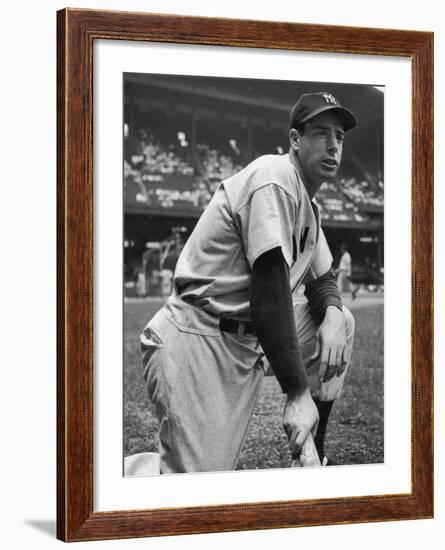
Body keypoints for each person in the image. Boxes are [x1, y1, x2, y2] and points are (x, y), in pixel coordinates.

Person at [140, 91, 356, 473]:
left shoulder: (308, 204)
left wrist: (335, 315)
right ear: (294, 140)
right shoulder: (274, 178)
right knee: (194, 491)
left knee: (343, 324)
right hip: (198, 340)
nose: (333, 145)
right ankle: (110, 483)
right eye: (321, 133)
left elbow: (323, 282)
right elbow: (270, 291)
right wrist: (297, 392)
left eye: (339, 136)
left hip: (244, 342)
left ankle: (312, 459)